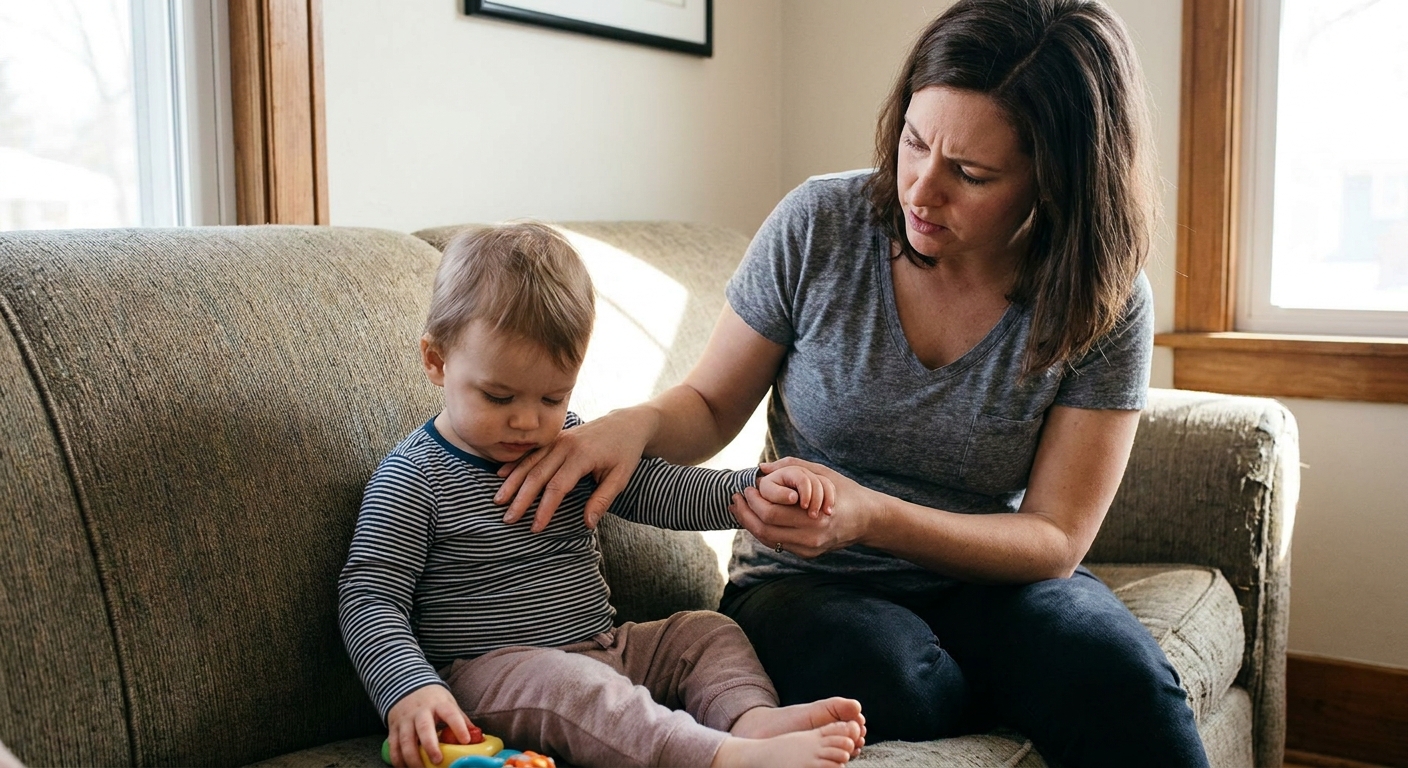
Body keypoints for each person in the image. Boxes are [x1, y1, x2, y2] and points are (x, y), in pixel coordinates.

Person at [490, 1, 1210, 765]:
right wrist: (632, 425)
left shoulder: (1101, 296)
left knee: (1120, 676)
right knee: (889, 676)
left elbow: (1054, 538)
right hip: (805, 587)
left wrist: (871, 516)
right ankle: (1000, 685)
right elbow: (708, 405)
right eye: (914, 142)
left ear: (1055, 182)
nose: (921, 191)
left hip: (991, 582)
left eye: (970, 173)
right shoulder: (820, 224)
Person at [338, 222, 866, 768]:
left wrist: (749, 491)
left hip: (605, 648)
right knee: (577, 687)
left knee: (705, 633)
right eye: (498, 397)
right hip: (490, 677)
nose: (526, 421)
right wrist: (407, 689)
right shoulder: (414, 478)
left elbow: (661, 490)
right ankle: (719, 758)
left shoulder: (568, 441)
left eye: (552, 396)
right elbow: (369, 597)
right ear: (436, 361)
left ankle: (749, 721)